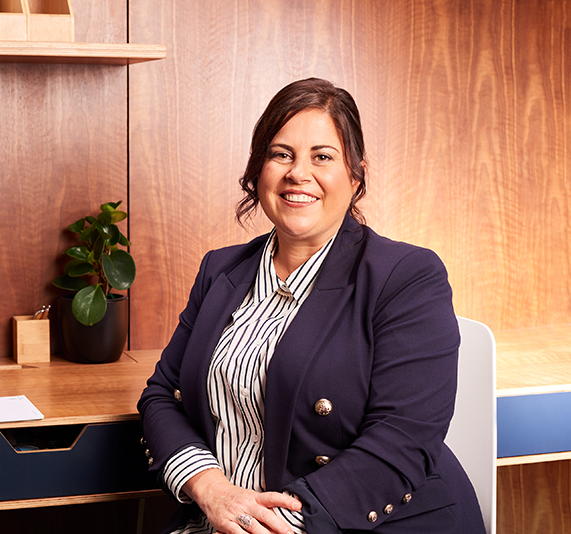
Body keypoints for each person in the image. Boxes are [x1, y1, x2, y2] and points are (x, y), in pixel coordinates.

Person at [137, 78, 485, 534]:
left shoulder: (406, 275)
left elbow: (401, 440)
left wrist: (272, 524)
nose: (298, 173)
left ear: (355, 174)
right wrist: (210, 488)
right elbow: (163, 396)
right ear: (258, 169)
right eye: (282, 154)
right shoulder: (220, 270)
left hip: (347, 523)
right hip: (221, 517)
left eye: (323, 157)